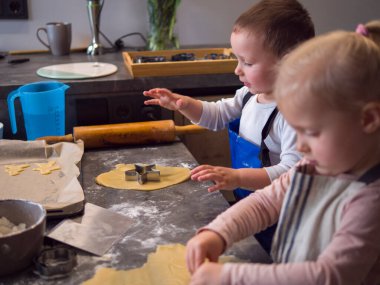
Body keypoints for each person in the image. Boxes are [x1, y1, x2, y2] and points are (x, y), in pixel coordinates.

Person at [185, 26, 380, 285]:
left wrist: (231, 276)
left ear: (368, 119)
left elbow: (331, 276)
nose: (301, 146)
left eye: (311, 132)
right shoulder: (313, 167)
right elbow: (266, 203)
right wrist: (217, 233)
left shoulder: (371, 200)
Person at [144, 0, 314, 254]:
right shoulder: (248, 95)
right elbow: (215, 115)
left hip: (283, 217)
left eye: (247, 62)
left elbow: (291, 174)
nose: (237, 70)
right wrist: (182, 104)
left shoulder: (294, 114)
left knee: (272, 261)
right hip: (248, 202)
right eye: (237, 59)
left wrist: (236, 177)